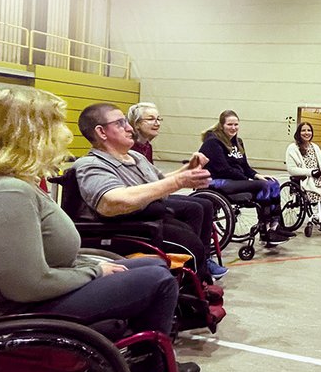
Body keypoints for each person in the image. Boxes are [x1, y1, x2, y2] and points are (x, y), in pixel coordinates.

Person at [0, 88, 204, 372]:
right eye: (56, 123)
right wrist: (93, 272)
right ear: (29, 132)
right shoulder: (7, 193)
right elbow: (25, 286)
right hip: (16, 311)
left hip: (33, 296)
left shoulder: (9, 184)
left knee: (151, 265)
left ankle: (142, 367)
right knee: (158, 280)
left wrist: (92, 265)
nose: (65, 133)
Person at [73, 102, 217, 284]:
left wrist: (188, 169)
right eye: (120, 123)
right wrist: (178, 181)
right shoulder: (91, 165)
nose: (129, 128)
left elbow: (158, 182)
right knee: (190, 245)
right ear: (101, 132)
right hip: (128, 228)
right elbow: (112, 202)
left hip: (153, 219)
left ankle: (200, 281)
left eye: (126, 122)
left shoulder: (136, 157)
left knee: (194, 229)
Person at [127, 101, 228, 279]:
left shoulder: (146, 146)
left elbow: (156, 177)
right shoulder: (130, 148)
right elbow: (146, 185)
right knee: (194, 208)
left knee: (206, 204)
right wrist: (180, 180)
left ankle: (204, 257)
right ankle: (192, 260)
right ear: (136, 124)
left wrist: (188, 169)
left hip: (152, 192)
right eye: (151, 119)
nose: (157, 123)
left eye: (159, 119)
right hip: (144, 198)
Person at [199, 110, 292, 245]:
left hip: (235, 179)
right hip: (218, 181)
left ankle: (276, 226)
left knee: (272, 183)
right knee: (264, 186)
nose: (233, 127)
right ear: (221, 125)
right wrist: (247, 180)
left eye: (236, 124)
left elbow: (245, 166)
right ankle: (265, 230)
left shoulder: (238, 142)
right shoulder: (213, 142)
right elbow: (224, 169)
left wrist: (257, 175)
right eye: (229, 124)